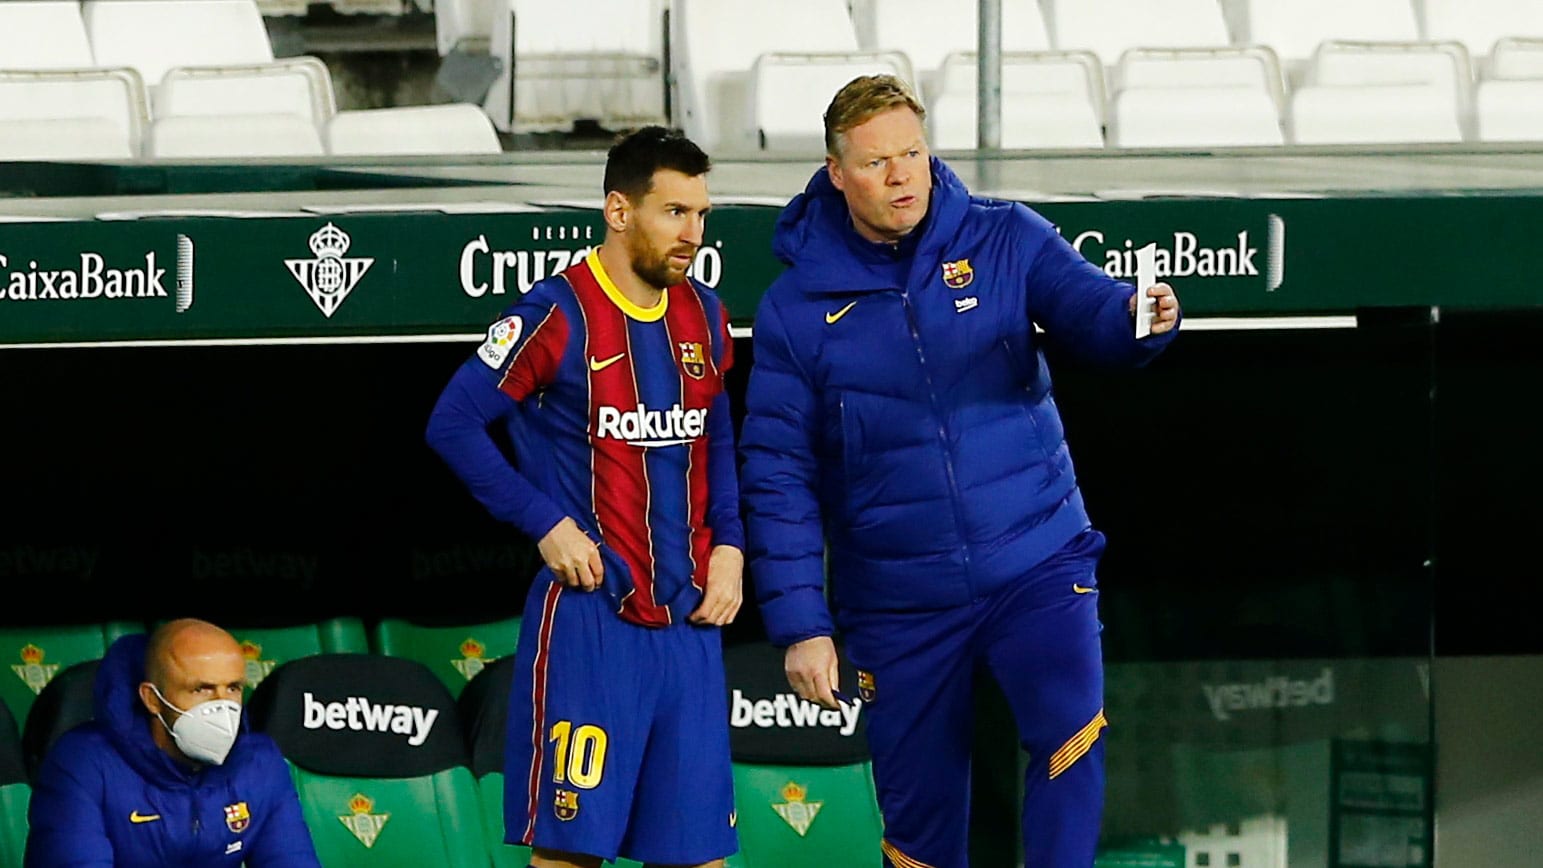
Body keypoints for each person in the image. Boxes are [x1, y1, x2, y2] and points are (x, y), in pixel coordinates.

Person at [738, 75, 1181, 868]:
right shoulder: (794, 308)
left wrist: (1137, 320)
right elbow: (777, 474)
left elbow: (1092, 310)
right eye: (876, 162)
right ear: (836, 173)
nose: (901, 176)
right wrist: (802, 624)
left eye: (912, 153)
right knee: (919, 828)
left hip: (1035, 558)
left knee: (1071, 740)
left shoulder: (1005, 236)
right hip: (897, 598)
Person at [425, 126, 742, 868]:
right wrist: (545, 523)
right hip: (591, 623)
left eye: (700, 214)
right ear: (618, 210)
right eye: (674, 212)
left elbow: (715, 437)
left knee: (700, 857)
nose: (692, 233)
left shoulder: (705, 313)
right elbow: (453, 422)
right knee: (571, 854)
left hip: (690, 625)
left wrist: (730, 542)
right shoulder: (556, 313)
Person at [25, 619, 321, 868]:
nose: (222, 706)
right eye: (201, 689)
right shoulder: (82, 763)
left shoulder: (260, 762)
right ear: (152, 699)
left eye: (232, 688)